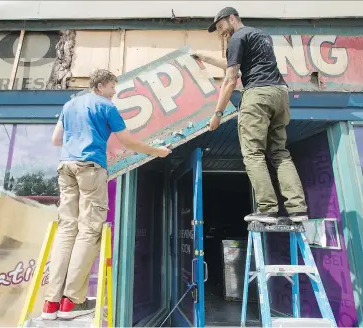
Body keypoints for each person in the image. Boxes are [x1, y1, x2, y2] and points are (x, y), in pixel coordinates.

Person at [42, 69, 171, 320]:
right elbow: (129, 142)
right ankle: (71, 301)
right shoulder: (106, 107)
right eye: (113, 86)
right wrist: (158, 151)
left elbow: (56, 140)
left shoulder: (70, 104)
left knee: (67, 228)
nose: (115, 92)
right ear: (100, 85)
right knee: (89, 230)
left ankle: (51, 302)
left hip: (65, 166)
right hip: (90, 168)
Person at [195, 7, 308, 224]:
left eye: (221, 27)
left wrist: (217, 114)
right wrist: (205, 58)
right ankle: (297, 208)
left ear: (232, 18)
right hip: (280, 94)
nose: (221, 33)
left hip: (258, 95)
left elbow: (230, 78)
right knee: (280, 153)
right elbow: (238, 65)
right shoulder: (260, 36)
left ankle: (267, 209)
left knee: (253, 153)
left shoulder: (237, 38)